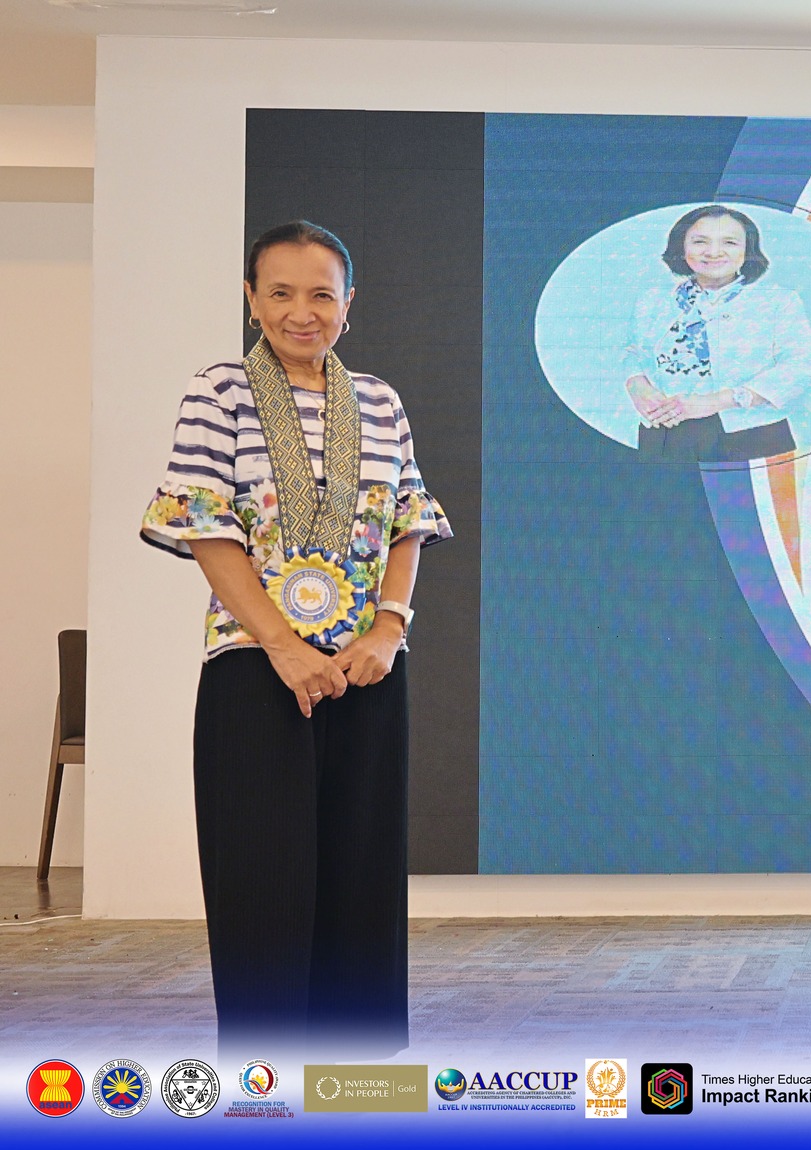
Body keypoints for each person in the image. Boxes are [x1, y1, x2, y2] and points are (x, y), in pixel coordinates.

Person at [140, 220, 451, 1055]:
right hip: (256, 668)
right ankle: (265, 1087)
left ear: (349, 303)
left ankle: (359, 1081)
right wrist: (282, 646)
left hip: (367, 668)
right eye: (279, 292)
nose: (300, 311)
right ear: (252, 298)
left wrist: (388, 629)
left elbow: (409, 522)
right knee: (261, 879)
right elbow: (207, 527)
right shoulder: (219, 393)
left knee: (363, 879)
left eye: (321, 294)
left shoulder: (380, 401)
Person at [625, 205, 811, 576]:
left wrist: (716, 402)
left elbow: (801, 368)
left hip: (749, 435)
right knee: (666, 548)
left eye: (729, 242)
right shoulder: (654, 299)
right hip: (664, 434)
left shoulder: (777, 300)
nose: (713, 252)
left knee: (750, 557)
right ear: (681, 247)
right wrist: (638, 387)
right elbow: (633, 352)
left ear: (748, 251)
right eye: (700, 241)